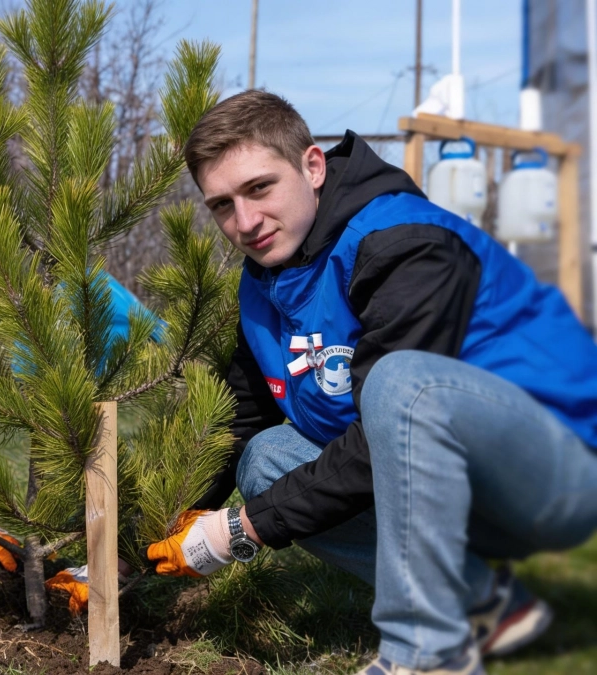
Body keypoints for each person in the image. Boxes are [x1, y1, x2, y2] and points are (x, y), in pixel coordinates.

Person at [142, 90, 597, 675]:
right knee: (267, 457)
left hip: (557, 471)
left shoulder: (405, 245)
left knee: (401, 382)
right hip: (447, 481)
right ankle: (485, 603)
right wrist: (137, 546)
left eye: (259, 188)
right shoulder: (266, 278)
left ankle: (430, 654)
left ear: (312, 166)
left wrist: (242, 529)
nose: (245, 222)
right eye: (223, 205)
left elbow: (389, 425)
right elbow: (240, 421)